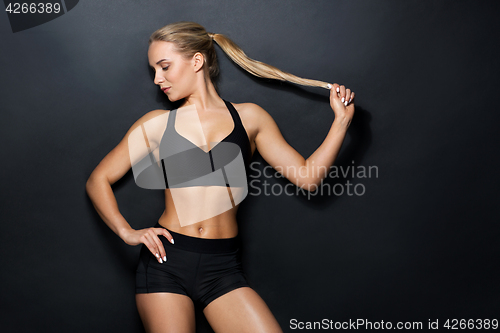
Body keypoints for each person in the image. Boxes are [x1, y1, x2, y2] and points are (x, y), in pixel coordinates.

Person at [86, 21, 355, 333]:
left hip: (222, 267)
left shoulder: (250, 118)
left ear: (197, 61)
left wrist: (341, 122)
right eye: (154, 71)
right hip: (165, 263)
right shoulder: (156, 123)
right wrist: (126, 231)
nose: (158, 79)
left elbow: (308, 178)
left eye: (164, 67)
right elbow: (99, 179)